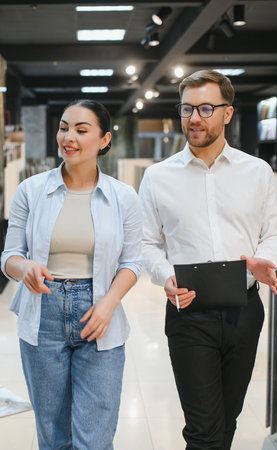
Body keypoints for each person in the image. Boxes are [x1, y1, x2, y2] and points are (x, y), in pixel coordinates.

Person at [138, 69, 277, 450]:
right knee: (203, 431)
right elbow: (145, 243)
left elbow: (276, 232)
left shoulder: (257, 172)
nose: (194, 118)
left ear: (228, 113)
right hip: (189, 313)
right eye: (187, 108)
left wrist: (264, 259)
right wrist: (165, 277)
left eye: (206, 108)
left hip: (245, 312)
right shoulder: (158, 177)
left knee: (226, 423)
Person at [1, 99, 142, 449]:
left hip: (99, 316)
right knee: (53, 436)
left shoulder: (123, 197)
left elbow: (132, 262)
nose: (69, 137)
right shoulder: (31, 190)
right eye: (64, 127)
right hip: (42, 315)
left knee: (94, 438)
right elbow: (9, 256)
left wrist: (110, 302)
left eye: (82, 130)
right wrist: (26, 267)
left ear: (104, 139)